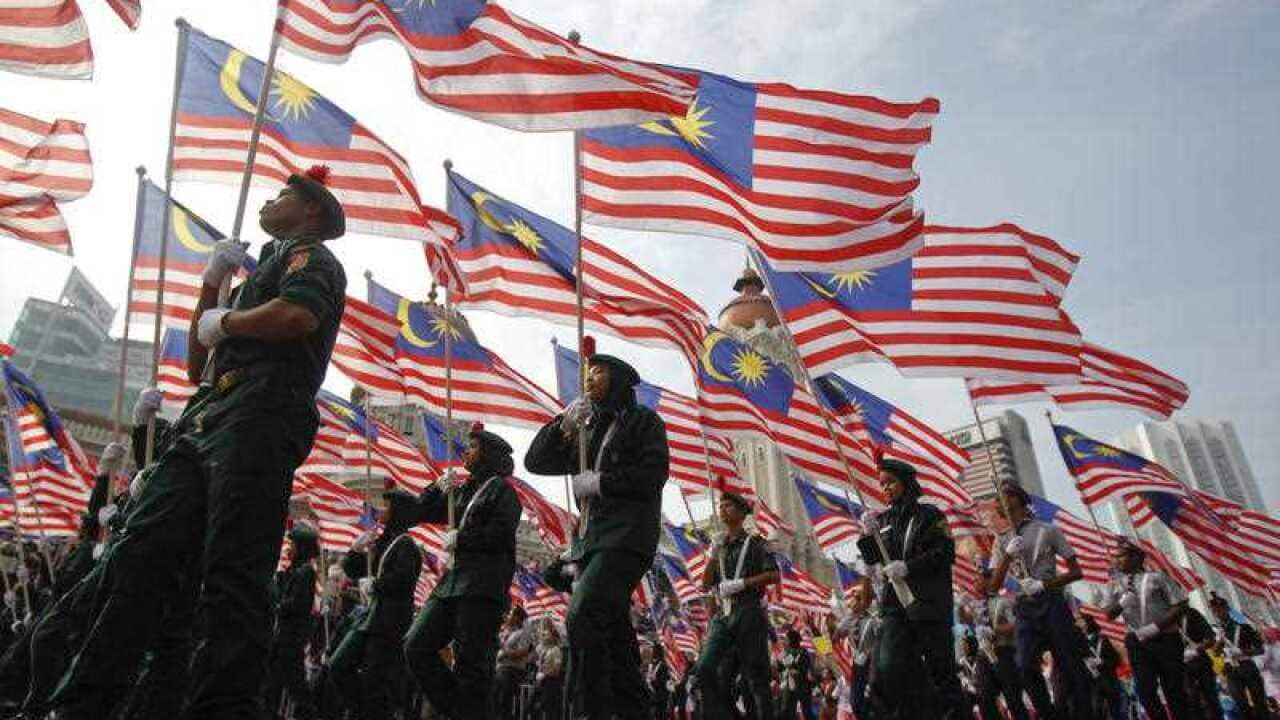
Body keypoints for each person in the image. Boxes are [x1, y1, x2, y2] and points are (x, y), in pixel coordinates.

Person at [44, 165, 346, 719]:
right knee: (139, 552)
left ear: (310, 211)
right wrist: (212, 283)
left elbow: (298, 315)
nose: (270, 199)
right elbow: (196, 366)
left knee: (233, 571)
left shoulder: (311, 259)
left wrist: (227, 319)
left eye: (283, 193)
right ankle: (82, 703)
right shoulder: (262, 271)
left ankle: (221, 707)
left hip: (261, 412)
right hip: (208, 418)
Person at [524, 343, 670, 720]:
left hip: (626, 538)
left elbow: (653, 476)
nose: (589, 377)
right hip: (592, 543)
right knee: (616, 641)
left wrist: (603, 482)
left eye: (599, 371)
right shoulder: (587, 431)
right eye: (587, 372)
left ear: (619, 378)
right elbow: (536, 461)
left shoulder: (643, 422)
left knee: (582, 616)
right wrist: (564, 424)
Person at [401, 422, 522, 719]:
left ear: (489, 454)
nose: (465, 451)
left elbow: (500, 534)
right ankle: (459, 710)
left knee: (472, 666)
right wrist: (437, 487)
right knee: (416, 646)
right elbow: (417, 513)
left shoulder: (503, 492)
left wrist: (463, 538)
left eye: (473, 447)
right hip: (451, 584)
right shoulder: (462, 491)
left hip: (481, 586)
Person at [856, 458, 962, 720]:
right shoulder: (882, 520)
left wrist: (909, 567)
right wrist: (866, 535)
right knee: (886, 666)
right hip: (895, 605)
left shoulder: (930, 515)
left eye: (890, 482)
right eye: (882, 485)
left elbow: (945, 553)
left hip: (928, 602)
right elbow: (872, 559)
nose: (886, 489)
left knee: (942, 671)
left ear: (906, 482)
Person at [986, 482, 1092, 720]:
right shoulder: (1002, 540)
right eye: (1000, 500)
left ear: (1021, 501)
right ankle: (1049, 715)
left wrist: (1043, 584)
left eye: (1008, 497)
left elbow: (1077, 572)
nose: (1003, 502)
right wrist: (1007, 555)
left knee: (1070, 665)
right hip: (1024, 606)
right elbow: (993, 585)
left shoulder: (1048, 530)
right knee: (1024, 665)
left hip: (1051, 600)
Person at [332, 489, 424, 719]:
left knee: (375, 680)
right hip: (370, 618)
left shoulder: (406, 545)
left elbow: (404, 580)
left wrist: (377, 585)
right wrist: (355, 551)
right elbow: (356, 571)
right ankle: (360, 710)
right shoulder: (383, 542)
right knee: (338, 665)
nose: (381, 511)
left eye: (387, 506)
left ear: (398, 512)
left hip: (388, 621)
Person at [691, 491, 780, 720]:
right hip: (724, 613)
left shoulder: (756, 542)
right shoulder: (720, 545)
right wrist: (712, 554)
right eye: (721, 506)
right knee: (705, 668)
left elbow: (773, 574)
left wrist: (743, 583)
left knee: (756, 679)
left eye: (729, 505)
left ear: (742, 513)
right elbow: (705, 583)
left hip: (748, 610)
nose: (722, 509)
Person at [1104, 538, 1192, 720]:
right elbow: (1108, 614)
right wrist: (1121, 603)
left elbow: (1181, 604)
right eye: (1115, 557)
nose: (1116, 560)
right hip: (1137, 641)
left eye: (1121, 556)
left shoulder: (1157, 577)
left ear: (1137, 557)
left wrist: (1156, 627)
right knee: (1145, 691)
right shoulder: (1114, 584)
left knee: (1174, 690)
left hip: (1165, 638)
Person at [265, 523, 320, 720]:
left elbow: (297, 603)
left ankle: (309, 714)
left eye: (293, 544)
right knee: (274, 681)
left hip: (291, 638)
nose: (290, 548)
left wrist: (279, 605)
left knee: (294, 682)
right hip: (283, 637)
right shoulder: (294, 571)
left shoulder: (306, 572)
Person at [1209, 594, 1268, 720]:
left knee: (1259, 701)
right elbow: (1215, 653)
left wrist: (1242, 652)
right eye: (1214, 611)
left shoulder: (1244, 627)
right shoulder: (1217, 631)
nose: (1217, 613)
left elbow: (1260, 649)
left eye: (1220, 610)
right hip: (1230, 669)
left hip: (1247, 666)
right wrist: (1219, 641)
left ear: (1226, 609)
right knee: (1241, 703)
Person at [1179, 604, 1224, 720]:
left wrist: (1197, 649)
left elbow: (1210, 638)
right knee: (1191, 700)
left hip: (1200, 662)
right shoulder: (1160, 619)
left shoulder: (1191, 614)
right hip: (1180, 667)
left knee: (1211, 699)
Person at [1080, 613, 1126, 720]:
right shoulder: (1079, 644)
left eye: (1080, 620)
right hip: (1092, 685)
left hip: (1110, 682)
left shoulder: (1103, 639)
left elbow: (1117, 661)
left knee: (1118, 713)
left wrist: (1102, 662)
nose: (1078, 624)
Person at [494, 606, 537, 719]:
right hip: (500, 669)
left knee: (504, 701)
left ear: (518, 617)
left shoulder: (523, 633)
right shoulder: (507, 633)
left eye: (511, 614)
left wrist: (505, 653)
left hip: (511, 671)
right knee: (496, 701)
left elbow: (523, 652)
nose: (509, 616)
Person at [778, 628, 816, 720]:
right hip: (791, 686)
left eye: (786, 639)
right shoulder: (788, 652)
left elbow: (792, 666)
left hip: (802, 686)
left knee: (806, 713)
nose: (785, 641)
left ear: (791, 640)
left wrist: (784, 658)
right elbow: (781, 667)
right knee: (786, 712)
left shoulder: (802, 652)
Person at [531, 621, 565, 720]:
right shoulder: (543, 650)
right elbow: (532, 659)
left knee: (550, 711)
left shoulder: (556, 650)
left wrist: (545, 674)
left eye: (546, 634)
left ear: (554, 637)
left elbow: (556, 669)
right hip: (540, 682)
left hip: (550, 683)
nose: (543, 635)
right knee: (532, 707)